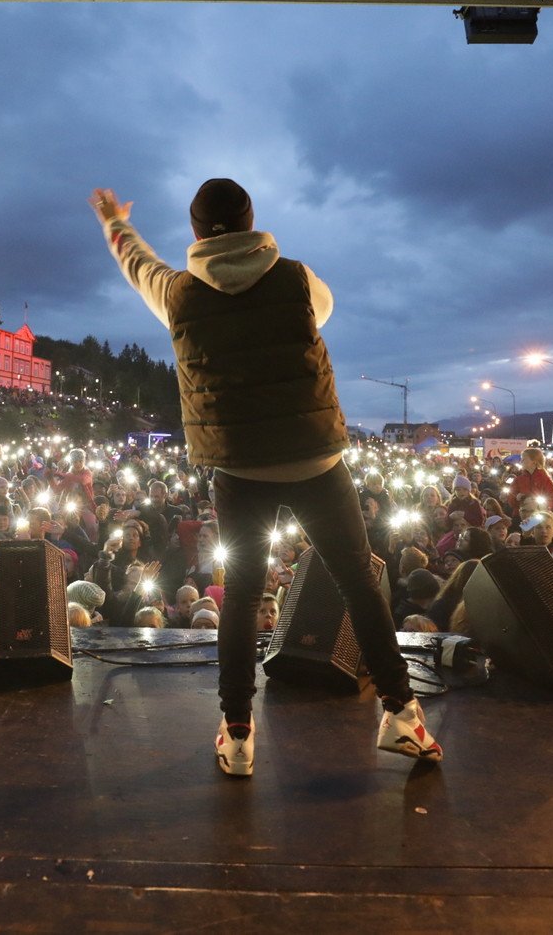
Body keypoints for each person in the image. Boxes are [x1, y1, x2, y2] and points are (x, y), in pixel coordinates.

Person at [92, 181, 439, 777]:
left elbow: (136, 263)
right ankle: (402, 715)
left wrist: (113, 223)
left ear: (197, 233)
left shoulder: (177, 292)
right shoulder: (298, 278)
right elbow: (321, 315)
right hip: (316, 461)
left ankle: (236, 734)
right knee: (360, 584)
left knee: (244, 595)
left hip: (238, 467)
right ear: (253, 221)